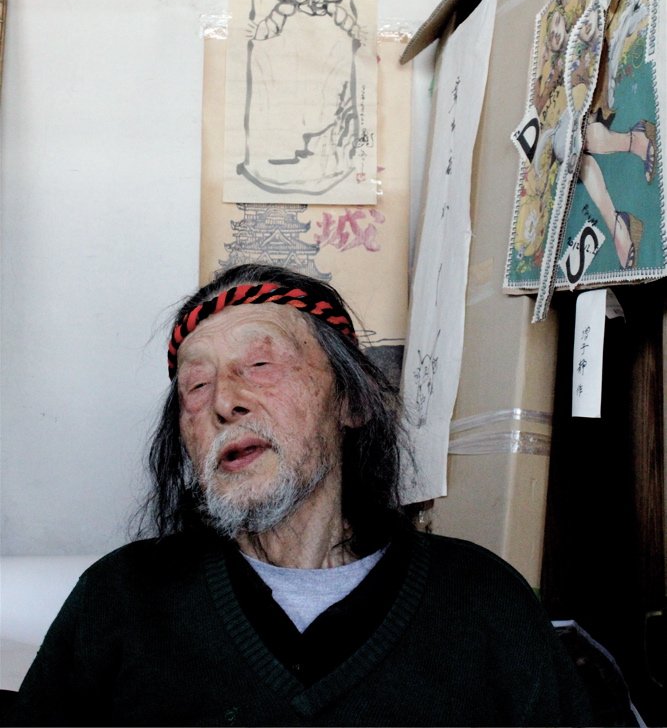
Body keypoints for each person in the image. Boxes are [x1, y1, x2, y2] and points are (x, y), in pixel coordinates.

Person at [7, 263, 593, 727]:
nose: (224, 402)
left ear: (351, 402)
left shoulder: (483, 601)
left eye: (260, 363)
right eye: (196, 384)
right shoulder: (121, 598)